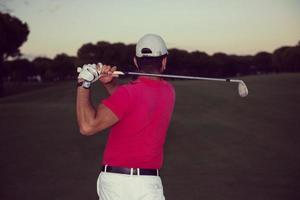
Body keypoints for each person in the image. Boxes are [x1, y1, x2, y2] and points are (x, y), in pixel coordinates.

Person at [76, 34, 175, 200]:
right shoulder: (169, 92)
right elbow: (132, 105)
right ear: (164, 61)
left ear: (136, 62)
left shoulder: (128, 94)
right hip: (148, 186)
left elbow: (87, 126)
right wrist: (110, 83)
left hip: (116, 185)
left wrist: (83, 83)